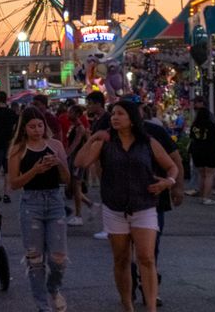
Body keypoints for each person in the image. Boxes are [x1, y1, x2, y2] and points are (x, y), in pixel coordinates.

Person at [75, 100, 178, 312]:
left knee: (146, 258)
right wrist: (92, 137)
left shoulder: (147, 142)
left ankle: (151, 307)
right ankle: (127, 305)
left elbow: (171, 166)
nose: (114, 117)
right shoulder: (105, 142)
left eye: (120, 114)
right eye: (113, 114)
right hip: (115, 207)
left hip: (144, 205)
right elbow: (80, 163)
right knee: (121, 259)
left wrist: (169, 182)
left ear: (132, 119)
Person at [9, 105, 70, 312]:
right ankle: (42, 305)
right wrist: (35, 170)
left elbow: (67, 179)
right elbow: (14, 183)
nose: (37, 130)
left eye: (40, 126)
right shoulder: (18, 149)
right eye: (32, 126)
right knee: (35, 258)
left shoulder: (55, 145)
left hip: (54, 200)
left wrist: (58, 164)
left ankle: (53, 287)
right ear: (24, 128)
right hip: (31, 202)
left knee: (58, 256)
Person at [188, 104, 215, 203]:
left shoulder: (194, 126)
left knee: (202, 175)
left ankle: (201, 195)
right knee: (209, 174)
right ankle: (206, 197)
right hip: (210, 151)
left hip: (197, 152)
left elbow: (192, 138)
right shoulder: (212, 125)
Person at [64, 104, 91, 225]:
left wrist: (65, 155)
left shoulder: (80, 128)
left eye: (71, 112)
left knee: (76, 186)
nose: (68, 114)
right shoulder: (73, 126)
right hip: (72, 160)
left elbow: (75, 144)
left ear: (77, 114)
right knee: (73, 187)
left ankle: (78, 215)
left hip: (77, 160)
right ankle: (89, 204)